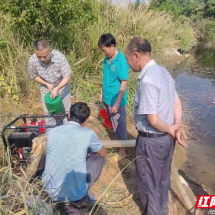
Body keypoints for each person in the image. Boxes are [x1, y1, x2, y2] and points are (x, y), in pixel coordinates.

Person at [124, 37, 185, 215]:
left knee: (148, 185)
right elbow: (176, 102)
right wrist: (176, 126)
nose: (129, 65)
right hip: (167, 141)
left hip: (151, 142)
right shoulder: (163, 72)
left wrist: (171, 128)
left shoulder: (148, 80)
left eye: (128, 60)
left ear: (136, 56)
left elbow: (153, 120)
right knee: (162, 182)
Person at [42, 102, 107, 214]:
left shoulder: (52, 131)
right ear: (86, 120)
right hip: (74, 197)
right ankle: (83, 192)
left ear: (68, 115)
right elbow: (103, 153)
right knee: (99, 159)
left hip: (49, 191)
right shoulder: (88, 133)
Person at [98, 33, 129, 163]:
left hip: (117, 100)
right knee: (114, 122)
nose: (104, 53)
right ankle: (120, 142)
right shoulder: (107, 59)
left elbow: (124, 82)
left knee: (120, 126)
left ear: (112, 46)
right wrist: (102, 92)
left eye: (105, 50)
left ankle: (123, 152)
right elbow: (105, 77)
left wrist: (117, 103)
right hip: (107, 97)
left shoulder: (121, 60)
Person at [28, 40, 71, 125]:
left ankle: (67, 132)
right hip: (46, 90)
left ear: (50, 51)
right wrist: (47, 84)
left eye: (45, 56)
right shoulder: (32, 60)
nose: (42, 59)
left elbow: (67, 76)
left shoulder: (59, 57)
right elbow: (33, 76)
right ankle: (51, 133)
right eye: (39, 57)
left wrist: (57, 88)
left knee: (66, 113)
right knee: (49, 114)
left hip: (63, 88)